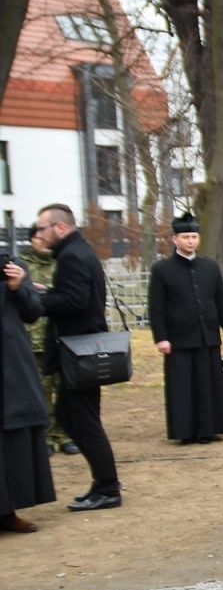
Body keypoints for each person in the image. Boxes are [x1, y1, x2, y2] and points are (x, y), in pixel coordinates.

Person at [33, 204, 123, 512]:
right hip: (81, 351)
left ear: (60, 228)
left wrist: (38, 299)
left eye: (41, 229)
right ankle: (102, 484)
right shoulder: (80, 252)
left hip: (79, 353)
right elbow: (76, 296)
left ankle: (108, 488)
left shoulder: (72, 256)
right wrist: (49, 291)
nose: (37, 235)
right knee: (72, 419)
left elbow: (74, 301)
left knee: (84, 424)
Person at [148, 212, 223, 444]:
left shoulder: (210, 266)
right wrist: (161, 337)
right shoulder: (162, 269)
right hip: (178, 338)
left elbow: (221, 302)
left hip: (207, 335)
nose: (190, 241)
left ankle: (209, 428)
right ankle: (185, 431)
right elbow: (156, 307)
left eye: (194, 236)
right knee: (182, 386)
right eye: (186, 237)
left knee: (210, 384)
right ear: (175, 239)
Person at [1, 252, 54, 532]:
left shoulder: (13, 266)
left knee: (12, 435)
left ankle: (7, 510)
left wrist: (17, 287)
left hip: (11, 363)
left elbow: (33, 312)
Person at [19, 227, 71, 454]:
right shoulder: (21, 266)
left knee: (65, 390)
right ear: (31, 240)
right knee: (40, 391)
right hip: (32, 339)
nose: (41, 241)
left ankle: (66, 434)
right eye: (36, 238)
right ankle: (46, 436)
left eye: (44, 237)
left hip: (60, 338)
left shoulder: (64, 263)